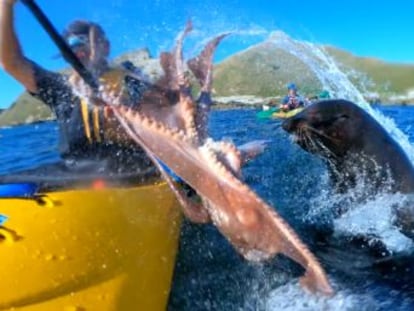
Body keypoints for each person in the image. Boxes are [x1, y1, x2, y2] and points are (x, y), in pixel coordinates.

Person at [0, 0, 153, 179]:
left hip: (134, 170)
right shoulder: (60, 88)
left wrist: (127, 114)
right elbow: (11, 62)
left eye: (85, 44)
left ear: (106, 47)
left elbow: (162, 116)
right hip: (76, 174)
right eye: (72, 48)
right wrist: (6, 5)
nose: (79, 53)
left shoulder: (131, 78)